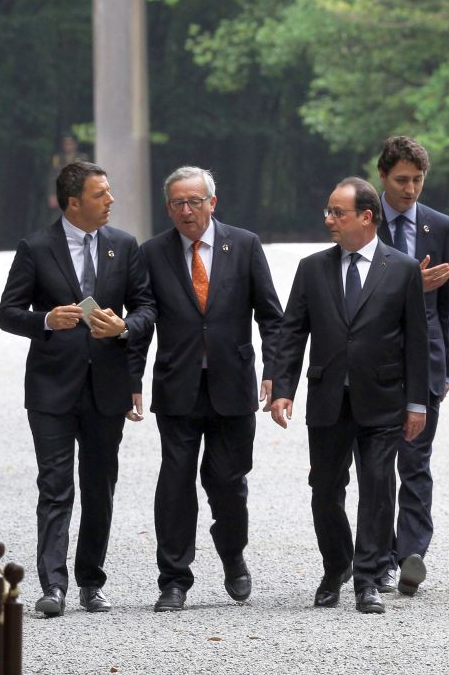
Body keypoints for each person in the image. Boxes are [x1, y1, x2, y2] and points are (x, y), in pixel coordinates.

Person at [0, 161, 155, 616]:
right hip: (51, 388)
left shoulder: (123, 246)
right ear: (74, 202)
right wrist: (44, 320)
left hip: (107, 385)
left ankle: (91, 581)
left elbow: (145, 307)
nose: (110, 201)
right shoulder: (36, 246)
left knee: (100, 487)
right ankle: (54, 586)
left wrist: (124, 327)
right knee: (55, 485)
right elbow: (7, 312)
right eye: (100, 194)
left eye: (109, 192)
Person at [267, 177, 430, 614]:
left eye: (338, 212)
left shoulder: (402, 269)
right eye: (328, 211)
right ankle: (336, 563)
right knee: (324, 488)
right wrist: (282, 388)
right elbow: (292, 331)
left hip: (382, 399)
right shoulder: (312, 268)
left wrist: (417, 403)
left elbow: (417, 341)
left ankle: (368, 577)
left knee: (377, 487)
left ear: (366, 217)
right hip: (327, 397)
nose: (329, 220)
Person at [131, 166, 283, 612]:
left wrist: (274, 370)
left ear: (212, 203)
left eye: (194, 201)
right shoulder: (153, 253)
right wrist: (132, 380)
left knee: (228, 483)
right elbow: (141, 319)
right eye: (177, 203)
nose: (186, 210)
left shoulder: (245, 245)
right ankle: (174, 579)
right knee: (175, 482)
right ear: (168, 208)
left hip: (232, 385)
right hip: (178, 385)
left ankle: (233, 555)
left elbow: (271, 317)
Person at [373, 135, 449, 596]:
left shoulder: (439, 225)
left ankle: (410, 553)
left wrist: (445, 365)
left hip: (426, 360)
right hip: (379, 359)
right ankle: (379, 555)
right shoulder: (364, 219)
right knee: (380, 462)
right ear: (383, 177)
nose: (410, 189)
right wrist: (407, 284)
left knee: (417, 460)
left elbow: (447, 305)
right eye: (401, 180)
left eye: (418, 180)